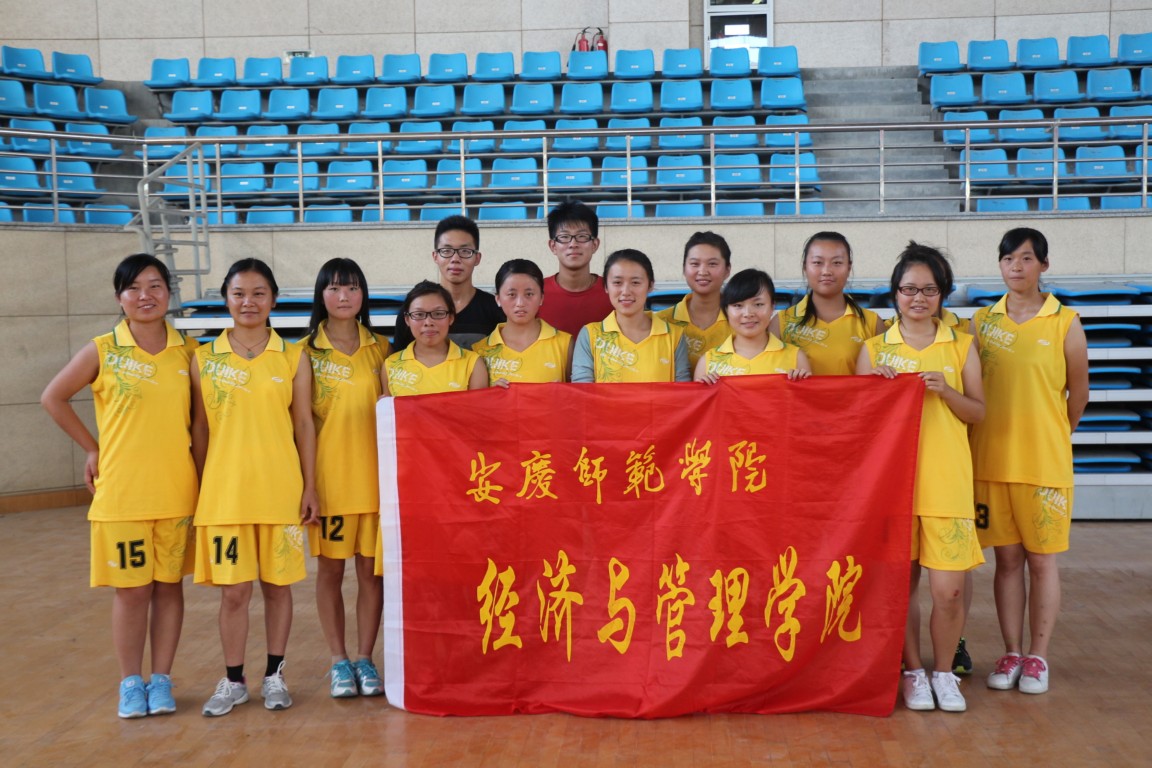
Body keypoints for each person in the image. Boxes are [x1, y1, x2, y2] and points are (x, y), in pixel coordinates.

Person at [41, 254, 198, 719]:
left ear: (169, 292)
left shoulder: (189, 351)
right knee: (132, 592)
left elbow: (201, 422)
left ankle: (162, 679)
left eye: (155, 285)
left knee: (168, 588)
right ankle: (131, 682)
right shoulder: (103, 349)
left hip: (177, 492)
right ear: (119, 298)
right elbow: (53, 397)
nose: (145, 295)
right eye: (134, 288)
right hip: (123, 494)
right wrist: (92, 448)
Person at [856, 242, 985, 714]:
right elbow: (858, 427)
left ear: (942, 295)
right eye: (909, 289)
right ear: (895, 293)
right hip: (894, 488)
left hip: (947, 483)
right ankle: (912, 671)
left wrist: (947, 391)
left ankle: (944, 672)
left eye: (929, 290)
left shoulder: (962, 345)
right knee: (900, 588)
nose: (918, 298)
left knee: (949, 590)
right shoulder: (873, 350)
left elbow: (978, 412)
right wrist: (875, 391)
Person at [191, 258, 318, 717]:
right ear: (226, 299)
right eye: (239, 293)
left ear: (274, 299)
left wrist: (309, 486)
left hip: (280, 493)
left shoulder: (292, 355)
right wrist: (204, 486)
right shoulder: (203, 358)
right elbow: (199, 428)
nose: (249, 302)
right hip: (225, 497)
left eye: (259, 293)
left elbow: (303, 424)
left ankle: (274, 675)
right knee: (234, 593)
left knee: (278, 588)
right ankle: (233, 681)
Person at [970, 228, 1089, 696]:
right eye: (1008, 259)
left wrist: (1053, 436)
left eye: (1025, 259)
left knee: (1041, 562)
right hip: (992, 462)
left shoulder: (1065, 321)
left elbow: (1078, 394)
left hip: (1043, 466)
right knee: (1005, 562)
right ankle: (1012, 651)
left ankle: (1038, 657)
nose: (1015, 267)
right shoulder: (982, 321)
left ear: (1044, 265)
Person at [300, 258, 389, 699]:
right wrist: (308, 487)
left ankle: (365, 657)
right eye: (334, 288)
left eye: (352, 288)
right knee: (331, 573)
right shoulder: (305, 352)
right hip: (330, 484)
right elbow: (302, 424)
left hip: (376, 484)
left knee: (372, 576)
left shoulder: (383, 349)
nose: (344, 296)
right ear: (321, 295)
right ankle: (338, 660)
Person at [772, 231, 885, 375]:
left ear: (849, 268)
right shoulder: (781, 323)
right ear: (805, 267)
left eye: (837, 263)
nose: (826, 271)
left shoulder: (872, 324)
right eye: (817, 263)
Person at [571, 249, 691, 383]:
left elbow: (682, 391)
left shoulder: (674, 336)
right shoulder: (590, 335)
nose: (626, 291)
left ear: (650, 285)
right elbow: (583, 391)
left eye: (635, 283)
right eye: (617, 283)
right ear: (606, 287)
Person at [391, 215, 504, 350]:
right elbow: (399, 359)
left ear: (477, 258)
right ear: (435, 256)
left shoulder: (495, 310)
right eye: (446, 251)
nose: (455, 259)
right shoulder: (414, 310)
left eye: (465, 251)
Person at [695, 268, 810, 382]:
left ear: (772, 307)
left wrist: (802, 383)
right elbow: (699, 394)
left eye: (758, 304)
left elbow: (807, 394)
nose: (748, 314)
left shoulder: (796, 358)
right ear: (726, 310)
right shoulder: (708, 363)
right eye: (738, 305)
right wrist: (704, 388)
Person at [383, 280, 490, 397]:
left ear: (451, 318)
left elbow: (478, 407)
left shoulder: (473, 363)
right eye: (419, 314)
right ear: (407, 320)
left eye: (438, 314)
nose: (428, 322)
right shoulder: (390, 365)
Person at [473, 259, 573, 384]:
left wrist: (562, 392)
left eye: (529, 294)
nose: (520, 303)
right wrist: (491, 392)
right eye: (512, 294)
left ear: (541, 298)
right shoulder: (480, 350)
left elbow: (578, 392)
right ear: (498, 299)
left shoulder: (565, 344)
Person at [657, 231, 733, 369]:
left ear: (727, 270)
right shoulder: (661, 323)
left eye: (712, 264)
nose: (702, 271)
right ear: (684, 269)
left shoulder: (741, 322)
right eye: (695, 264)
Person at [537, 200, 614, 337]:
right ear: (553, 246)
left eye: (582, 236)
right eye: (564, 237)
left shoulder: (614, 293)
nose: (573, 244)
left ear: (595, 244)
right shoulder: (535, 293)